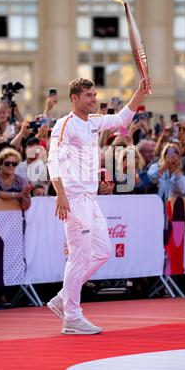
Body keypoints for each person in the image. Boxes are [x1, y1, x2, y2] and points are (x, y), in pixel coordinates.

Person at [47, 76, 151, 335]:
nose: (94, 99)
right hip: (73, 199)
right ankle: (71, 317)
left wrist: (140, 91)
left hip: (90, 200)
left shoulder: (93, 122)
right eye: (89, 96)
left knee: (103, 251)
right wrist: (60, 194)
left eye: (94, 94)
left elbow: (123, 119)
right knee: (79, 257)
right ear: (75, 98)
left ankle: (64, 297)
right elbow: (53, 161)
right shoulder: (64, 125)